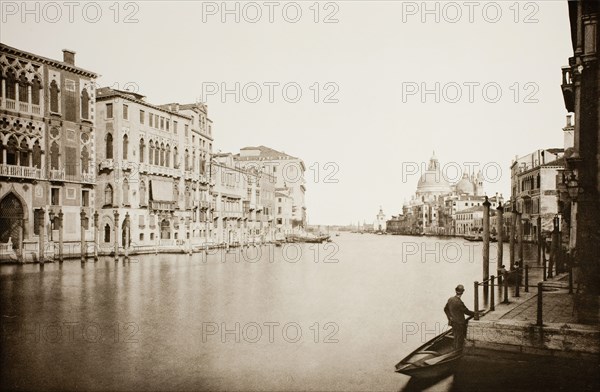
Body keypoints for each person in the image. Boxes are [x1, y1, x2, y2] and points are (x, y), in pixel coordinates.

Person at [444, 284, 476, 349]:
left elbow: (445, 309)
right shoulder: (459, 303)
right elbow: (467, 312)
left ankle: (454, 348)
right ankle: (457, 351)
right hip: (460, 323)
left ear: (456, 291)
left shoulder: (450, 299)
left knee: (456, 336)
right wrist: (476, 314)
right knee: (459, 338)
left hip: (453, 322)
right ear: (462, 292)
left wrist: (449, 317)